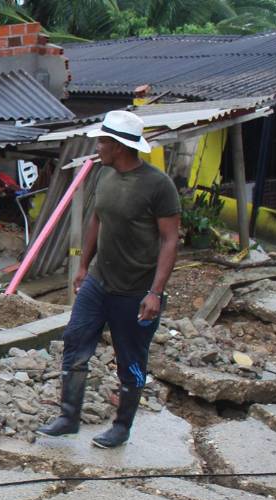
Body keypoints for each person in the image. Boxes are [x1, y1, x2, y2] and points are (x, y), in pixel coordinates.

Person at [36, 110, 181, 449]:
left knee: (131, 358)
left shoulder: (158, 186)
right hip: (99, 282)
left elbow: (171, 240)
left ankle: (121, 427)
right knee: (75, 339)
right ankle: (68, 417)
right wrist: (84, 266)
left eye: (102, 141)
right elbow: (96, 222)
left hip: (135, 290)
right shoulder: (105, 176)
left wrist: (155, 293)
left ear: (118, 146)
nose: (97, 146)